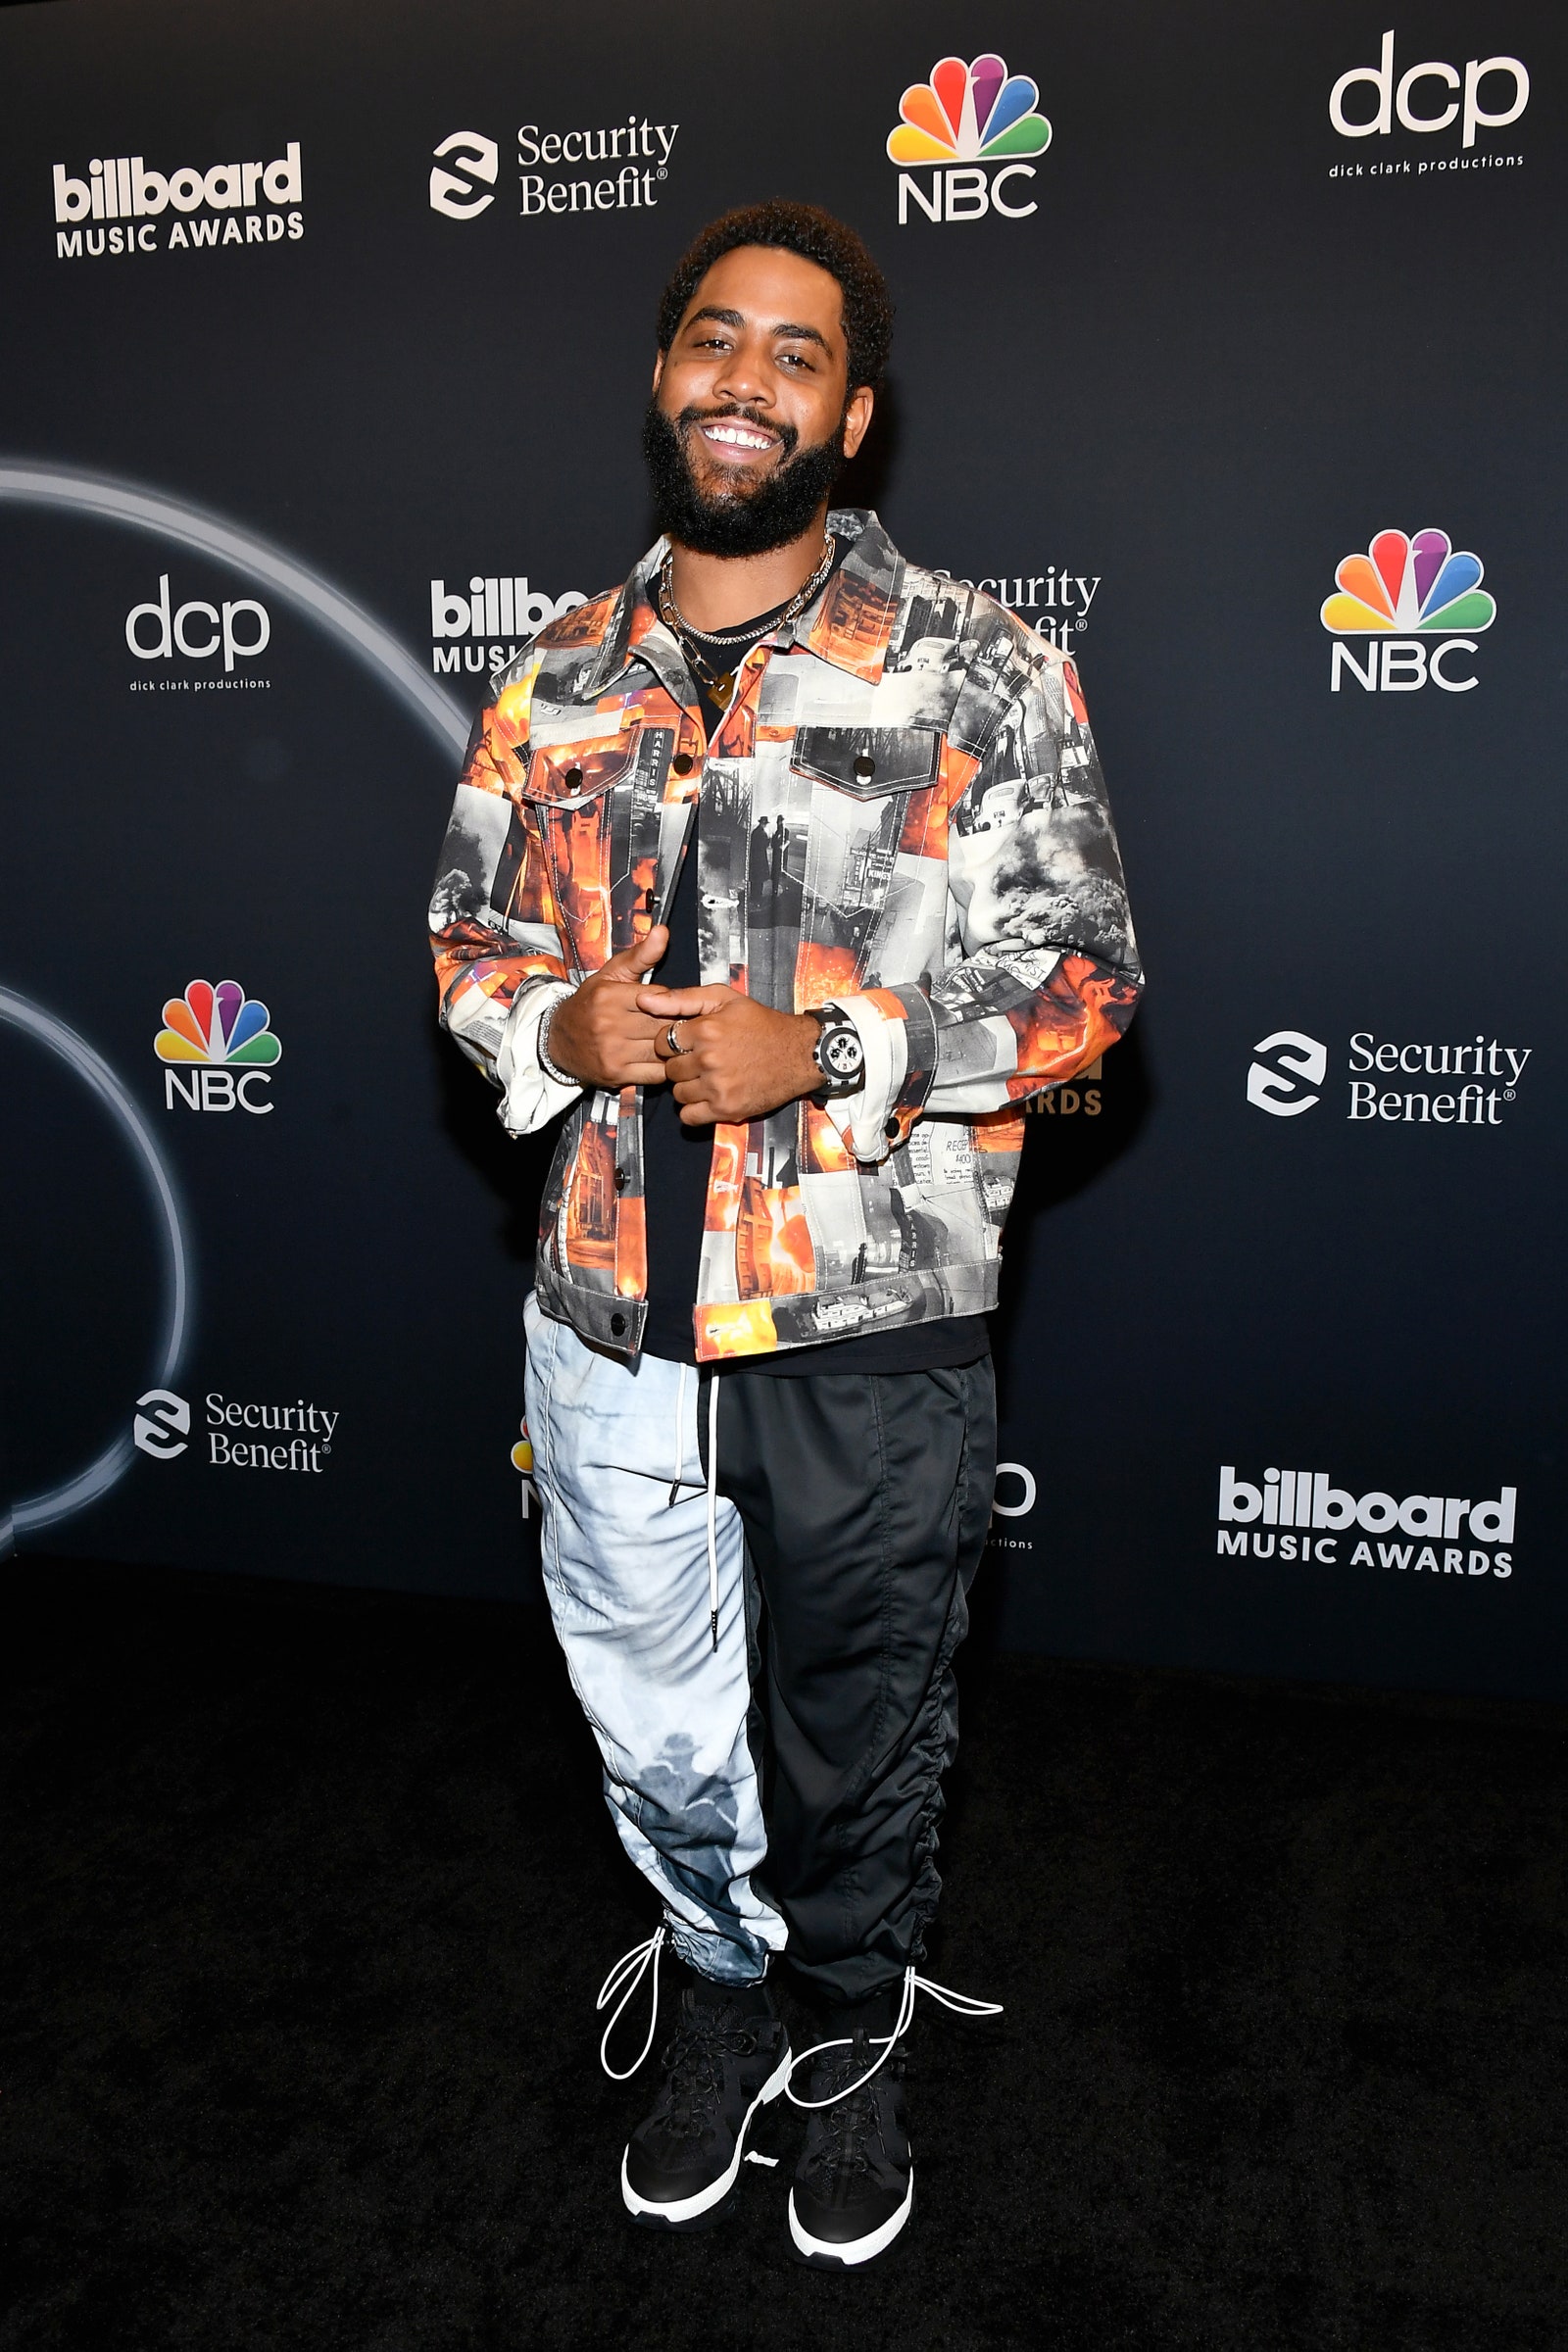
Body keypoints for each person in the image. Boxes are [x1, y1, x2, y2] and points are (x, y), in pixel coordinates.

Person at [428, 199, 1141, 2268]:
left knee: (860, 1721)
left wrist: (825, 1049)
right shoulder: (553, 675)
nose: (747, 380)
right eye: (713, 341)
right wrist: (554, 1018)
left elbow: (1085, 979)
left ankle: (846, 2032)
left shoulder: (981, 666)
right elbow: (469, 939)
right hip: (603, 1311)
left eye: (795, 353)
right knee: (654, 1721)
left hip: (869, 1316)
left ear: (854, 408)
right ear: (663, 379)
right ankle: (720, 1987)